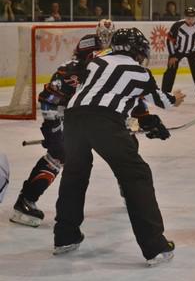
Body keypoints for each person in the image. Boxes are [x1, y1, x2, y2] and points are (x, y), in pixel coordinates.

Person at [53, 27, 185, 267]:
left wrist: (141, 118)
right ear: (139, 50)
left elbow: (96, 88)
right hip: (104, 122)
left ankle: (65, 236)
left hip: (72, 120)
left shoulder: (95, 62)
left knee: (75, 175)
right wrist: (175, 97)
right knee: (136, 176)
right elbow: (162, 100)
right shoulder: (140, 72)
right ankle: (155, 247)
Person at [9, 20, 116, 227]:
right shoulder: (71, 72)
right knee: (58, 155)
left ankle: (127, 188)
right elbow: (48, 98)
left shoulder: (100, 72)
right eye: (97, 54)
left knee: (121, 145)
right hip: (59, 118)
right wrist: (54, 127)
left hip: (79, 121)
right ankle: (25, 201)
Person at [162, 7, 195, 105]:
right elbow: (170, 40)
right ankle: (164, 94)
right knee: (170, 70)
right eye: (188, 17)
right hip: (177, 52)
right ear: (184, 17)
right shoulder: (177, 26)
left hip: (193, 52)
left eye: (192, 18)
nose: (190, 20)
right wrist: (172, 55)